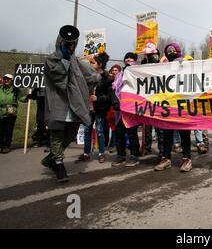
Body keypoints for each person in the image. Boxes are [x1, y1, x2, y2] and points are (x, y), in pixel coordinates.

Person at [42, 25, 100, 182]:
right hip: (58, 103)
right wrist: (65, 60)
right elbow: (59, 79)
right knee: (57, 133)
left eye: (73, 44)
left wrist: (94, 73)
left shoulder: (75, 60)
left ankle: (51, 158)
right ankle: (59, 164)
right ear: (60, 42)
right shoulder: (52, 59)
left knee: (71, 134)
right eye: (67, 44)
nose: (71, 47)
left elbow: (90, 76)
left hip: (74, 105)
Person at [154, 43, 193, 172]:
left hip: (182, 105)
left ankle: (187, 159)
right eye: (168, 51)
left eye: (173, 50)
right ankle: (166, 158)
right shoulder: (164, 67)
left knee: (184, 133)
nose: (171, 52)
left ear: (177, 51)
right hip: (168, 105)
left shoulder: (185, 64)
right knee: (167, 133)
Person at [76, 53, 112, 164]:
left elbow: (109, 96)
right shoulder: (86, 75)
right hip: (88, 108)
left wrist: (98, 98)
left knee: (100, 131)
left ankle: (101, 153)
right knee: (87, 130)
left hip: (99, 109)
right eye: (89, 62)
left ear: (100, 64)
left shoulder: (107, 79)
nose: (90, 65)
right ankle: (86, 153)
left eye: (92, 62)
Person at [111, 52, 141, 167]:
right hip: (120, 109)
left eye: (131, 58)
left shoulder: (138, 73)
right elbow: (115, 88)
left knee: (132, 133)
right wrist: (115, 101)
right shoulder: (120, 74)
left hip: (132, 109)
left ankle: (134, 155)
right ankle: (121, 155)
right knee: (119, 132)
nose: (129, 60)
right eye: (127, 58)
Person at [141, 49, 164, 157]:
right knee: (147, 128)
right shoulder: (143, 68)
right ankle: (146, 147)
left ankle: (162, 151)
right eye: (152, 55)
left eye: (156, 54)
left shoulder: (162, 67)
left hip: (159, 103)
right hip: (147, 103)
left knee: (160, 130)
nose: (154, 56)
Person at [0, 74, 28, 153]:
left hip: (11, 113)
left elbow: (21, 98)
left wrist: (28, 97)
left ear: (12, 80)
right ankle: (0, 145)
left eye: (8, 79)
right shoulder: (0, 88)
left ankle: (6, 145)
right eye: (5, 79)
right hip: (0, 112)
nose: (6, 80)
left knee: (8, 130)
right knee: (1, 130)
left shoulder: (15, 90)